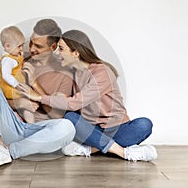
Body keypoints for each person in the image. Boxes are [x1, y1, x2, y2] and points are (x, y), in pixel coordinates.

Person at [19, 29, 157, 162]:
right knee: (70, 118)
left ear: (76, 53)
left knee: (144, 124)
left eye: (61, 49)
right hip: (90, 129)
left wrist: (38, 97)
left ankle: (93, 150)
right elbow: (46, 57)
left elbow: (75, 103)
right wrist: (17, 55)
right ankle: (122, 149)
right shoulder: (74, 72)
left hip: (117, 127)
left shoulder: (102, 72)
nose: (58, 53)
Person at [0, 19, 75, 169]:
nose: (31, 49)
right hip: (13, 125)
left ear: (53, 47)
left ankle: (5, 151)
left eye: (38, 46)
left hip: (40, 133)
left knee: (67, 127)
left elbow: (57, 115)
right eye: (30, 43)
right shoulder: (19, 59)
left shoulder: (64, 75)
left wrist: (34, 85)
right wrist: (20, 103)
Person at [0, 25, 35, 123]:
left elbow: (22, 55)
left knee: (27, 108)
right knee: (26, 105)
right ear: (7, 46)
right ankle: (17, 117)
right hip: (11, 88)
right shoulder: (7, 60)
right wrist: (16, 85)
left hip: (18, 86)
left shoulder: (16, 53)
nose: (22, 48)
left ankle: (32, 125)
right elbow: (6, 75)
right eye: (19, 46)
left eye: (22, 45)